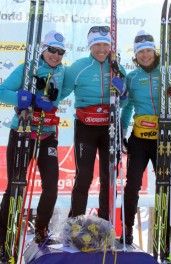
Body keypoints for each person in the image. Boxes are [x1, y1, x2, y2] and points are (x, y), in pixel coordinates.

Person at [0, 30, 68, 259]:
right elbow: (2, 91)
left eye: (60, 52)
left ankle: (41, 229)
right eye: (52, 50)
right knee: (16, 185)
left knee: (51, 185)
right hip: (22, 131)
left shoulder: (63, 73)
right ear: (43, 49)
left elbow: (65, 93)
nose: (56, 56)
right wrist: (24, 98)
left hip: (47, 133)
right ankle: (3, 237)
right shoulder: (27, 69)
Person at [119, 30, 171, 258]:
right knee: (132, 184)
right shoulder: (132, 78)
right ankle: (126, 232)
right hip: (139, 140)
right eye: (140, 52)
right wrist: (121, 132)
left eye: (148, 50)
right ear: (135, 55)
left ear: (154, 52)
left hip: (164, 137)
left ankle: (168, 236)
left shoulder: (166, 73)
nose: (145, 55)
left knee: (167, 187)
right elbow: (126, 107)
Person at [64, 26, 126, 221]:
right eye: (97, 44)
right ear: (90, 46)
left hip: (110, 127)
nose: (101, 49)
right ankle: (75, 222)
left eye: (105, 44)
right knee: (84, 176)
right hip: (86, 127)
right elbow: (59, 94)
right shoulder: (78, 67)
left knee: (109, 178)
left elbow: (123, 102)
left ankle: (105, 223)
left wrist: (122, 92)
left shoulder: (117, 68)